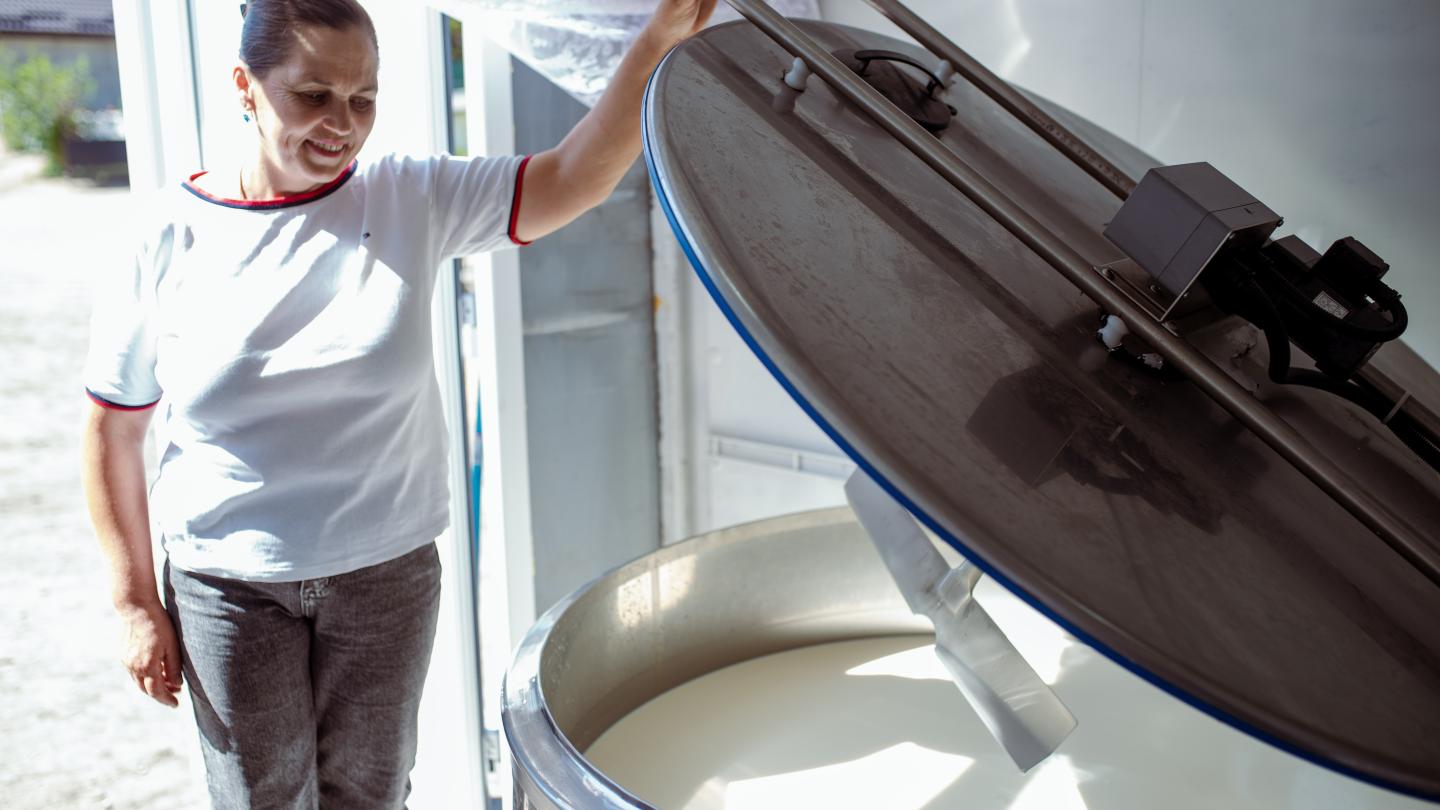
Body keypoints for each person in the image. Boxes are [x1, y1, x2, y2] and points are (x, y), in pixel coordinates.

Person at [80, 0, 716, 806]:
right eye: (312, 95)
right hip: (231, 587)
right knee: (261, 799)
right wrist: (134, 601)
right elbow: (112, 428)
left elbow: (571, 178)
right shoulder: (166, 236)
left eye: (363, 98)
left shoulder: (409, 196)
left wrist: (656, 40)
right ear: (246, 86)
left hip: (385, 577)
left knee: (372, 797)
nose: (341, 123)